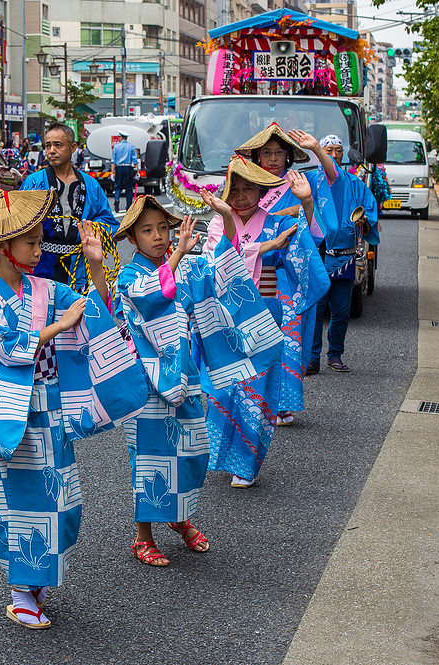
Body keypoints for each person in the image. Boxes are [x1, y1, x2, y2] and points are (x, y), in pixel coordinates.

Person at [0, 189, 148, 628]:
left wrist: (97, 266)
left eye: (40, 242)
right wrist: (57, 326)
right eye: (32, 243)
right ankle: (20, 591)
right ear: (3, 249)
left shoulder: (45, 289)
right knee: (23, 503)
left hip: (51, 411)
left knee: (61, 501)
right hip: (14, 418)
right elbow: (5, 349)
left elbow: (91, 310)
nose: (40, 250)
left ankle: (35, 579)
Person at [116, 193, 284, 563]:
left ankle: (179, 517)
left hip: (185, 376)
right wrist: (177, 256)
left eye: (163, 228)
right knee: (151, 457)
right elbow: (151, 296)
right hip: (147, 381)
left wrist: (225, 219)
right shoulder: (130, 276)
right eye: (147, 230)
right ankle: (143, 535)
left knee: (191, 451)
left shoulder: (187, 267)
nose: (158, 236)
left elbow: (220, 273)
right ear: (132, 238)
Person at [200, 156, 305, 487]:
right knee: (224, 391)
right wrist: (263, 247)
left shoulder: (273, 221)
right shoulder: (219, 222)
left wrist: (307, 202)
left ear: (262, 192)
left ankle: (245, 464)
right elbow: (212, 262)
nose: (242, 196)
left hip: (262, 315)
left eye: (249, 189)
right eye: (236, 189)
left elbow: (309, 241)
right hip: (224, 318)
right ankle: (221, 452)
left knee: (254, 393)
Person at [234, 123, 332, 425]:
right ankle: (250, 399)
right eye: (267, 152)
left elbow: (311, 231)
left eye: (279, 152)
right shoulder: (247, 183)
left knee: (286, 341)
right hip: (248, 277)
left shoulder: (297, 182)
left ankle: (282, 403)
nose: (273, 158)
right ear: (257, 155)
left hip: (284, 276)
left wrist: (304, 203)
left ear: (288, 155)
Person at [308, 134, 380, 374]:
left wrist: (365, 222)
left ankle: (335, 354)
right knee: (316, 310)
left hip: (345, 256)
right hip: (318, 255)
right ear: (319, 153)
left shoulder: (354, 183)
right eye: (328, 149)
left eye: (338, 150)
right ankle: (312, 357)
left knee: (340, 310)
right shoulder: (310, 181)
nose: (335, 154)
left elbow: (369, 209)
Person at [19, 123, 120, 292]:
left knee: (76, 314)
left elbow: (108, 222)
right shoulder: (34, 182)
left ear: (73, 147)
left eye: (58, 145)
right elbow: (17, 222)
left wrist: (93, 231)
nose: (51, 150)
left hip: (78, 269)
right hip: (39, 266)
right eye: (47, 145)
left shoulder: (91, 185)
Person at [112, 130, 138, 212]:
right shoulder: (131, 147)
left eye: (119, 137)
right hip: (127, 167)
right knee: (129, 187)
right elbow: (135, 160)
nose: (118, 138)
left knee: (118, 186)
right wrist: (137, 171)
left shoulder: (116, 147)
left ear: (122, 137)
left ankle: (116, 200)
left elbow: (113, 161)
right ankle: (129, 206)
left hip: (119, 167)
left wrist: (112, 172)